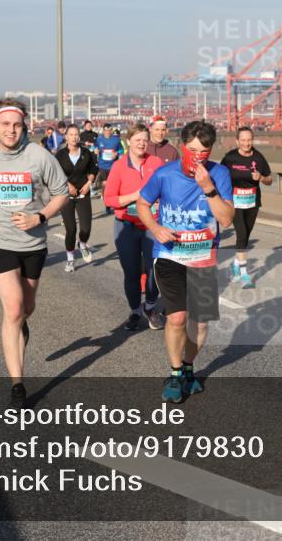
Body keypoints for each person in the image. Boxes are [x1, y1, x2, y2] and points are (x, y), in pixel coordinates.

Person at [0, 99, 69, 409]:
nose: (11, 130)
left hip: (33, 244)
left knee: (26, 308)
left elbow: (61, 193)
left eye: (17, 125)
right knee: (14, 307)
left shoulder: (39, 156)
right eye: (5, 124)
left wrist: (39, 217)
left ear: (25, 127)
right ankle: (17, 384)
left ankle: (20, 322)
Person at [137, 120, 234, 404]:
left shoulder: (220, 174)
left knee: (200, 323)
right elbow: (143, 204)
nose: (198, 157)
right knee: (178, 317)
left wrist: (209, 188)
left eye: (204, 151)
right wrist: (155, 228)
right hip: (170, 254)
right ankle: (175, 372)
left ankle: (189, 367)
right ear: (182, 147)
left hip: (203, 257)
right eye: (192, 150)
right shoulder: (164, 174)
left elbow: (226, 219)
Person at [103, 123, 164, 331]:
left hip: (151, 224)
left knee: (155, 269)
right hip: (126, 225)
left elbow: (167, 188)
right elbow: (109, 199)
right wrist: (135, 196)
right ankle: (135, 310)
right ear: (128, 141)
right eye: (137, 140)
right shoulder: (119, 166)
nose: (141, 144)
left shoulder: (156, 163)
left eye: (145, 140)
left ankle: (150, 307)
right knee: (132, 272)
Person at [220, 126, 273, 287]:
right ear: (237, 141)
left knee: (245, 236)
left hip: (252, 202)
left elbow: (269, 180)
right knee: (241, 233)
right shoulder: (230, 158)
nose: (246, 143)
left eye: (249, 140)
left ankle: (236, 264)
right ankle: (244, 274)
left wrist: (261, 177)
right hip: (234, 202)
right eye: (243, 140)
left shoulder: (258, 157)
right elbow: (220, 176)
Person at [55, 124, 97, 272]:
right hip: (66, 196)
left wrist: (89, 184)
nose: (74, 137)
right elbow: (57, 174)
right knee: (71, 229)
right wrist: (68, 186)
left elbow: (93, 169)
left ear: (79, 136)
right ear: (66, 137)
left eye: (76, 134)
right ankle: (70, 259)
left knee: (86, 228)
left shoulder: (86, 152)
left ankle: (83, 244)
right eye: (71, 135)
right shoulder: (60, 155)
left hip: (83, 193)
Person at [95, 123, 123, 209]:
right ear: (103, 131)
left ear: (111, 131)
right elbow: (94, 147)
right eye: (106, 130)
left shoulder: (116, 140)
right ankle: (106, 204)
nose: (107, 132)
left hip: (113, 166)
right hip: (102, 165)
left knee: (113, 185)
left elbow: (121, 150)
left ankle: (113, 201)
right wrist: (95, 150)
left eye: (109, 130)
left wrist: (117, 153)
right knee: (105, 184)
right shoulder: (99, 139)